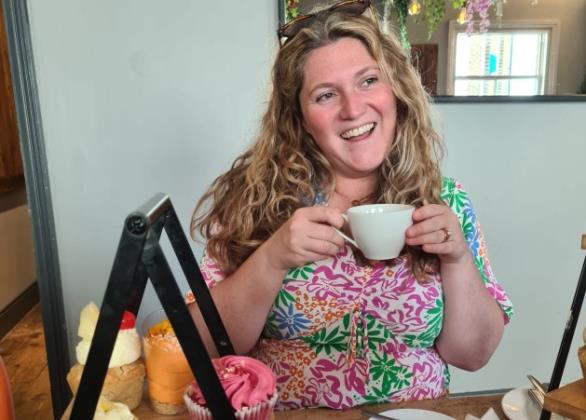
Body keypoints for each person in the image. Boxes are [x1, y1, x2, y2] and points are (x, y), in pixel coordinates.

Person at [188, 0, 512, 410]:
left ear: (395, 89)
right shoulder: (253, 200)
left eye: (367, 81)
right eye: (326, 95)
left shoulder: (445, 201)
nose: (353, 109)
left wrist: (458, 259)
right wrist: (271, 259)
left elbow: (472, 355)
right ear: (299, 117)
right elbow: (203, 346)